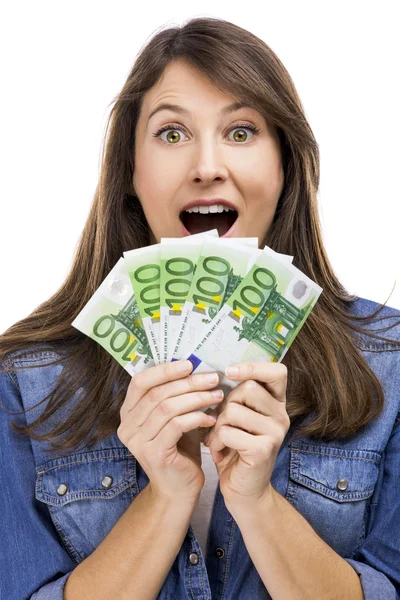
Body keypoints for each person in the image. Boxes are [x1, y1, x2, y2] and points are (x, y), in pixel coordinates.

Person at [1, 16, 399, 600]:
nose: (207, 165)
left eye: (241, 131)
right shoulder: (24, 382)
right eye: (171, 133)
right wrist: (165, 495)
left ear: (285, 166)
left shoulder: (390, 366)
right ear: (129, 173)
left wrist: (257, 501)